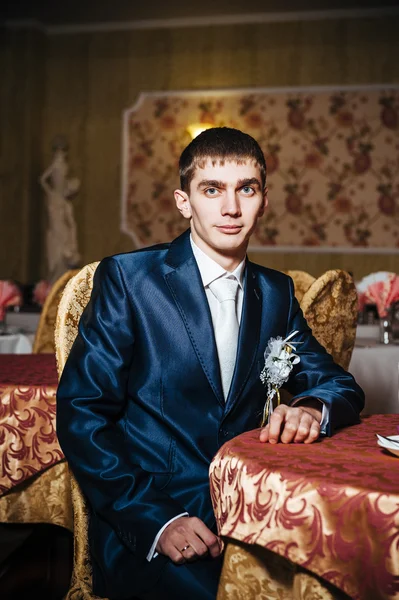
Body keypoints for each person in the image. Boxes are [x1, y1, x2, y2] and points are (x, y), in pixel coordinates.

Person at [56, 127, 364, 600]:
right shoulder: (128, 280)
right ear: (184, 202)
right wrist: (157, 521)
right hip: (153, 518)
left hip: (256, 513)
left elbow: (339, 386)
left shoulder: (276, 293)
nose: (231, 208)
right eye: (212, 189)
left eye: (247, 189)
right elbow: (82, 414)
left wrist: (311, 409)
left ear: (264, 200)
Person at [39, 144, 81, 283]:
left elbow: (72, 225)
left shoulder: (66, 205)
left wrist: (72, 245)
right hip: (56, 218)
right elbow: (42, 180)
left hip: (64, 235)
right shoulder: (55, 200)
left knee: (63, 246)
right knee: (56, 242)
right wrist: (50, 192)